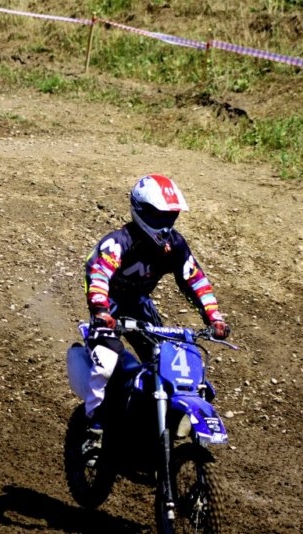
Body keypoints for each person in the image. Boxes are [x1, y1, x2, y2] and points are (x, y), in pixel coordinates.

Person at [81, 174, 230, 463]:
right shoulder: (119, 242)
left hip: (139, 304)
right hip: (109, 305)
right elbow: (98, 275)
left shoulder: (175, 245)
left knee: (168, 361)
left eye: (170, 216)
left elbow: (196, 280)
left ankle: (154, 424)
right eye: (158, 215)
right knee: (107, 363)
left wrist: (214, 317)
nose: (165, 223)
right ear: (141, 211)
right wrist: (100, 311)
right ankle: (93, 430)